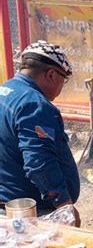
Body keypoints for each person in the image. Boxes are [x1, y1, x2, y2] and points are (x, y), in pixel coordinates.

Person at [0, 40, 81, 225]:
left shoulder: (5, 91)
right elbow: (39, 163)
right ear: (52, 74)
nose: (62, 86)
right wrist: (64, 205)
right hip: (28, 213)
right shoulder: (34, 105)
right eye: (64, 79)